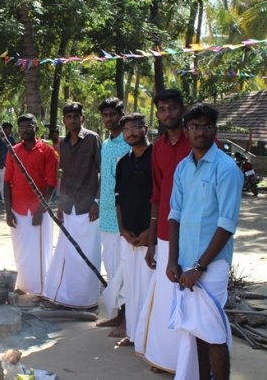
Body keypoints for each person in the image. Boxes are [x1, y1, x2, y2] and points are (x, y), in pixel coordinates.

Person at [167, 103, 242, 380]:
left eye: (206, 126)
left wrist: (199, 266)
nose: (200, 131)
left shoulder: (226, 168)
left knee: (213, 334)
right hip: (185, 262)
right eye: (195, 126)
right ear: (186, 131)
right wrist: (172, 260)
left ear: (215, 130)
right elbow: (174, 215)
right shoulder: (183, 168)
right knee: (196, 330)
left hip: (211, 265)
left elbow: (226, 224)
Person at [135, 89, 188, 373]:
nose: (168, 113)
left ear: (182, 109)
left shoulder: (198, 141)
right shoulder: (158, 148)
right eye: (163, 109)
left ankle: (189, 363)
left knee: (189, 297)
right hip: (166, 232)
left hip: (194, 233)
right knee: (167, 295)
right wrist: (153, 240)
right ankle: (165, 358)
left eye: (172, 108)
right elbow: (156, 194)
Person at [43, 102, 101, 309]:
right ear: (64, 120)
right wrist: (60, 203)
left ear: (82, 118)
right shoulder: (63, 144)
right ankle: (70, 297)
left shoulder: (93, 139)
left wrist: (97, 201)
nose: (72, 120)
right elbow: (64, 175)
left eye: (76, 116)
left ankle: (88, 300)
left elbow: (101, 171)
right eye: (68, 117)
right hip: (69, 206)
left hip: (89, 206)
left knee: (88, 251)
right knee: (69, 251)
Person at [4, 113, 58, 295]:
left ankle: (42, 289)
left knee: (40, 251)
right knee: (20, 249)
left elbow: (51, 184)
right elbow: (6, 183)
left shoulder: (48, 152)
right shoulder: (13, 151)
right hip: (17, 209)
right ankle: (24, 285)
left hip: (39, 211)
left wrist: (40, 210)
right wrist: (8, 211)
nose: (25, 129)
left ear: (37, 128)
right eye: (22, 126)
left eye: (29, 125)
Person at [113, 113, 154, 348]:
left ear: (145, 129)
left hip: (152, 237)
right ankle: (134, 333)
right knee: (131, 286)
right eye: (126, 129)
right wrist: (122, 230)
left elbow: (161, 198)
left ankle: (150, 340)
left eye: (135, 127)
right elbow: (117, 199)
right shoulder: (123, 163)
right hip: (128, 236)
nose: (131, 133)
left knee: (151, 288)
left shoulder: (156, 157)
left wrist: (151, 230)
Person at [97, 98, 130, 337]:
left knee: (125, 270)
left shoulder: (128, 143)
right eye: (105, 115)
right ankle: (118, 315)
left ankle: (127, 320)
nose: (109, 119)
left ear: (121, 114)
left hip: (124, 217)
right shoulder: (106, 145)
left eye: (112, 114)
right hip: (106, 216)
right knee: (111, 267)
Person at [0, 122, 16, 203]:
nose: (10, 130)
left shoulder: (12, 139)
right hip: (2, 164)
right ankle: (3, 200)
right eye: (9, 128)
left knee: (11, 181)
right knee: (3, 181)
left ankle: (10, 198)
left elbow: (16, 150)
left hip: (11, 164)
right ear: (4, 129)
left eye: (11, 129)